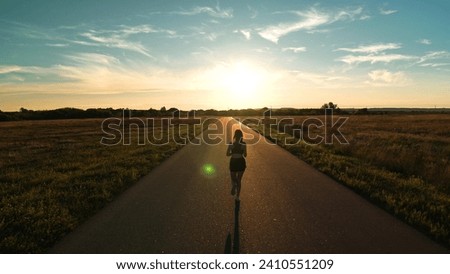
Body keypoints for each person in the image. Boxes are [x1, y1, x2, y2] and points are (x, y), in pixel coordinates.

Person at [226, 129, 247, 201]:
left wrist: (233, 153)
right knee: (239, 180)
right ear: (241, 136)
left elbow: (227, 154)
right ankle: (237, 197)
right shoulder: (244, 144)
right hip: (241, 162)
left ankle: (234, 185)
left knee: (233, 178)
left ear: (234, 136)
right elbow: (245, 155)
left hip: (233, 162)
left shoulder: (231, 144)